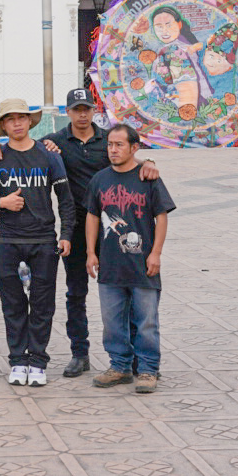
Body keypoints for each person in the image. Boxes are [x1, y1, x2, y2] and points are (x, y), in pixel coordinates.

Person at [34, 88, 160, 379]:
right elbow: (24, 150)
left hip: (114, 229)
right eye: (76, 109)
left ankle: (134, 360)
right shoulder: (54, 142)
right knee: (76, 293)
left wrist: (150, 163)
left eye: (87, 109)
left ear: (94, 110)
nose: (82, 114)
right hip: (75, 228)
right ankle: (80, 353)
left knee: (127, 290)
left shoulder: (108, 140)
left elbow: (128, 160)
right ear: (67, 112)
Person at [0, 98, 72, 387]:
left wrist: (66, 234)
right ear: (3, 125)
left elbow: (66, 200)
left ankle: (38, 361)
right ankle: (18, 360)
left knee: (43, 304)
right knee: (12, 304)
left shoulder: (49, 155)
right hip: (7, 240)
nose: (17, 123)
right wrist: (1, 202)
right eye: (10, 119)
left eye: (21, 118)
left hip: (44, 240)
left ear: (30, 122)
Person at [87, 124, 175, 393]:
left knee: (146, 320)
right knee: (112, 321)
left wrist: (156, 253)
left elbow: (161, 216)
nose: (113, 150)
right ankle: (119, 366)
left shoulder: (148, 178)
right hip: (110, 265)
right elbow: (92, 215)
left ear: (134, 148)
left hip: (142, 264)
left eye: (119, 145)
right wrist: (91, 252)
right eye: (110, 145)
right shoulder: (100, 179)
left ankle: (148, 370)